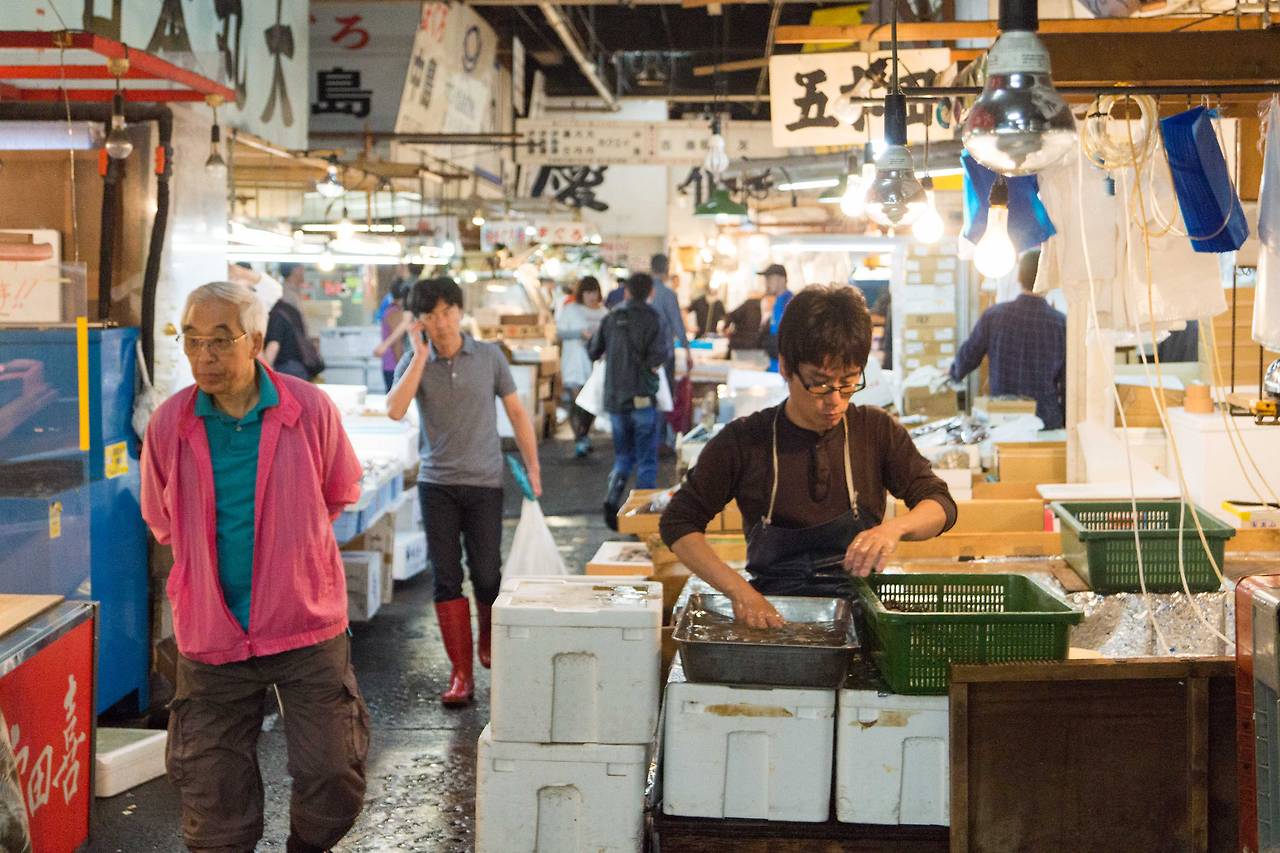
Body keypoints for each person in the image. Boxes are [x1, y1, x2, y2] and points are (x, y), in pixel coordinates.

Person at [140, 281, 369, 853]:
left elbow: (339, 490)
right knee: (212, 791)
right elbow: (160, 518)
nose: (205, 356)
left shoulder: (308, 410)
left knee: (332, 770)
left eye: (221, 340)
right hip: (212, 632)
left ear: (257, 342)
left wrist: (292, 554)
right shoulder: (170, 425)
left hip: (304, 621)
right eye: (192, 341)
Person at [659, 285, 957, 627]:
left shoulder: (876, 430)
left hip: (860, 620)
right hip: (771, 619)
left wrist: (894, 529)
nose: (835, 400)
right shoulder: (745, 440)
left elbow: (940, 503)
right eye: (820, 383)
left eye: (848, 383)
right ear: (786, 367)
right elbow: (678, 522)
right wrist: (741, 592)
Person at [386, 277, 543, 707]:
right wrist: (419, 356)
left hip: (484, 481)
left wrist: (532, 465)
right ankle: (461, 674)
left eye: (446, 311)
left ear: (459, 311)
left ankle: (488, 637)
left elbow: (516, 411)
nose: (440, 322)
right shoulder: (412, 360)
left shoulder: (489, 356)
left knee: (488, 572)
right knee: (446, 577)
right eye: (429, 315)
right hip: (437, 483)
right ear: (418, 321)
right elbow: (395, 410)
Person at [949, 248, 1066, 429]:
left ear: (1018, 278)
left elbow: (969, 355)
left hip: (1002, 419)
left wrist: (953, 372)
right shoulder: (1061, 323)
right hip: (1045, 421)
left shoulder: (994, 316)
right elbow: (1067, 381)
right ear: (1050, 282)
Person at [589, 273, 667, 527]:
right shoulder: (653, 318)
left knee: (623, 455)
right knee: (646, 458)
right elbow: (658, 356)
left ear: (627, 292)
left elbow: (593, 350)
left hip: (616, 398)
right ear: (650, 293)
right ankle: (641, 518)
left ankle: (612, 499)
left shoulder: (611, 317)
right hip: (643, 398)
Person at [557, 276, 609, 457]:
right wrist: (579, 333)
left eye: (594, 291)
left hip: (596, 364)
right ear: (581, 293)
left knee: (590, 403)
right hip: (574, 362)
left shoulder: (603, 312)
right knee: (577, 400)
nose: (592, 296)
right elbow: (560, 333)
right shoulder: (570, 310)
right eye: (588, 292)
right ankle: (580, 438)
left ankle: (583, 435)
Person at [264, 263, 324, 381]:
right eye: (301, 269)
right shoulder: (288, 300)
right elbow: (274, 343)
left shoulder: (284, 305)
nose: (303, 272)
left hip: (291, 363)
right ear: (295, 271)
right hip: (291, 365)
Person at [649, 253, 690, 386]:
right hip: (664, 351)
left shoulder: (642, 293)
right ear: (667, 269)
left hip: (644, 353)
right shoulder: (668, 294)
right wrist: (686, 348)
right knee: (665, 393)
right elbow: (677, 322)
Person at [374, 276, 415, 392]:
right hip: (394, 365)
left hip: (391, 365)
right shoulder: (395, 313)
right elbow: (397, 344)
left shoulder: (392, 310)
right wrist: (402, 367)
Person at [759, 263, 794, 372]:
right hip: (774, 368)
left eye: (770, 279)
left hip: (783, 372)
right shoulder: (777, 302)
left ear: (781, 279)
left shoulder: (789, 302)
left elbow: (789, 340)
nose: (766, 283)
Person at [724, 291, 764, 357]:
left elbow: (730, 316)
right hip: (755, 345)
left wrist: (726, 328)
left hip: (740, 343)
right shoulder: (765, 306)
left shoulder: (748, 304)